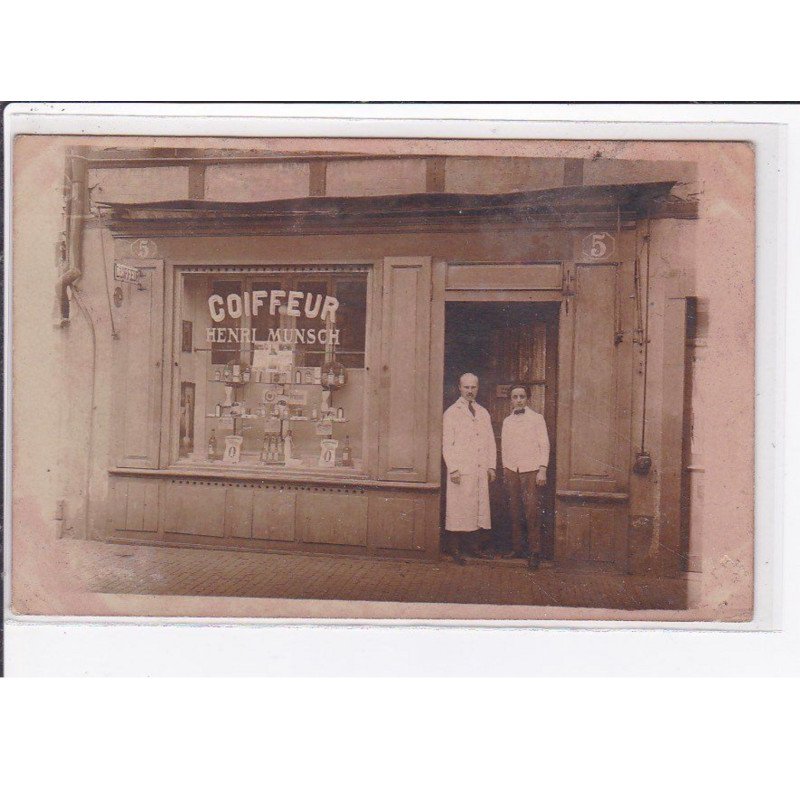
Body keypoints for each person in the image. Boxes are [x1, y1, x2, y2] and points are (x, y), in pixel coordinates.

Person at [442, 373, 497, 564]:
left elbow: (490, 441)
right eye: (466, 387)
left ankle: (474, 547)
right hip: (461, 470)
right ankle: (454, 548)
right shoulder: (451, 413)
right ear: (459, 388)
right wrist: (453, 469)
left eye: (473, 387)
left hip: (479, 469)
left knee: (476, 508)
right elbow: (447, 444)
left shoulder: (483, 412)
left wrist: (491, 466)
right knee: (458, 509)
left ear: (478, 388)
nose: (470, 391)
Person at [500, 384, 550, 569]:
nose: (518, 400)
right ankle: (517, 548)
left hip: (531, 471)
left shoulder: (537, 419)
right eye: (515, 397)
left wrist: (542, 469)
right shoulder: (507, 421)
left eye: (522, 396)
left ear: (527, 398)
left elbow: (544, 445)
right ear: (511, 400)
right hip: (512, 471)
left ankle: (534, 552)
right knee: (514, 510)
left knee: (532, 512)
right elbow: (505, 447)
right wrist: (506, 469)